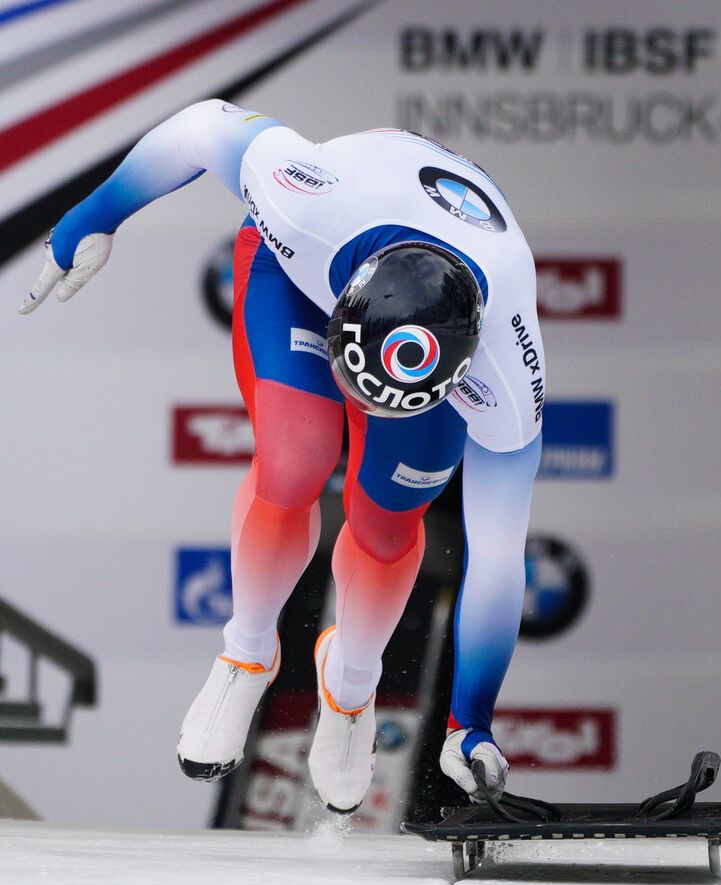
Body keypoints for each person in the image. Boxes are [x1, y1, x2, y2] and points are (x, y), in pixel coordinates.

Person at [19, 100, 545, 815]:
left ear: (461, 378)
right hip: (301, 277)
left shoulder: (508, 370)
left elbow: (498, 556)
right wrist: (93, 217)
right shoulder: (307, 200)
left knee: (388, 521)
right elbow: (202, 128)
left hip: (414, 282)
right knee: (296, 459)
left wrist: (470, 720)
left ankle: (351, 686)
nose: (370, 409)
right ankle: (245, 651)